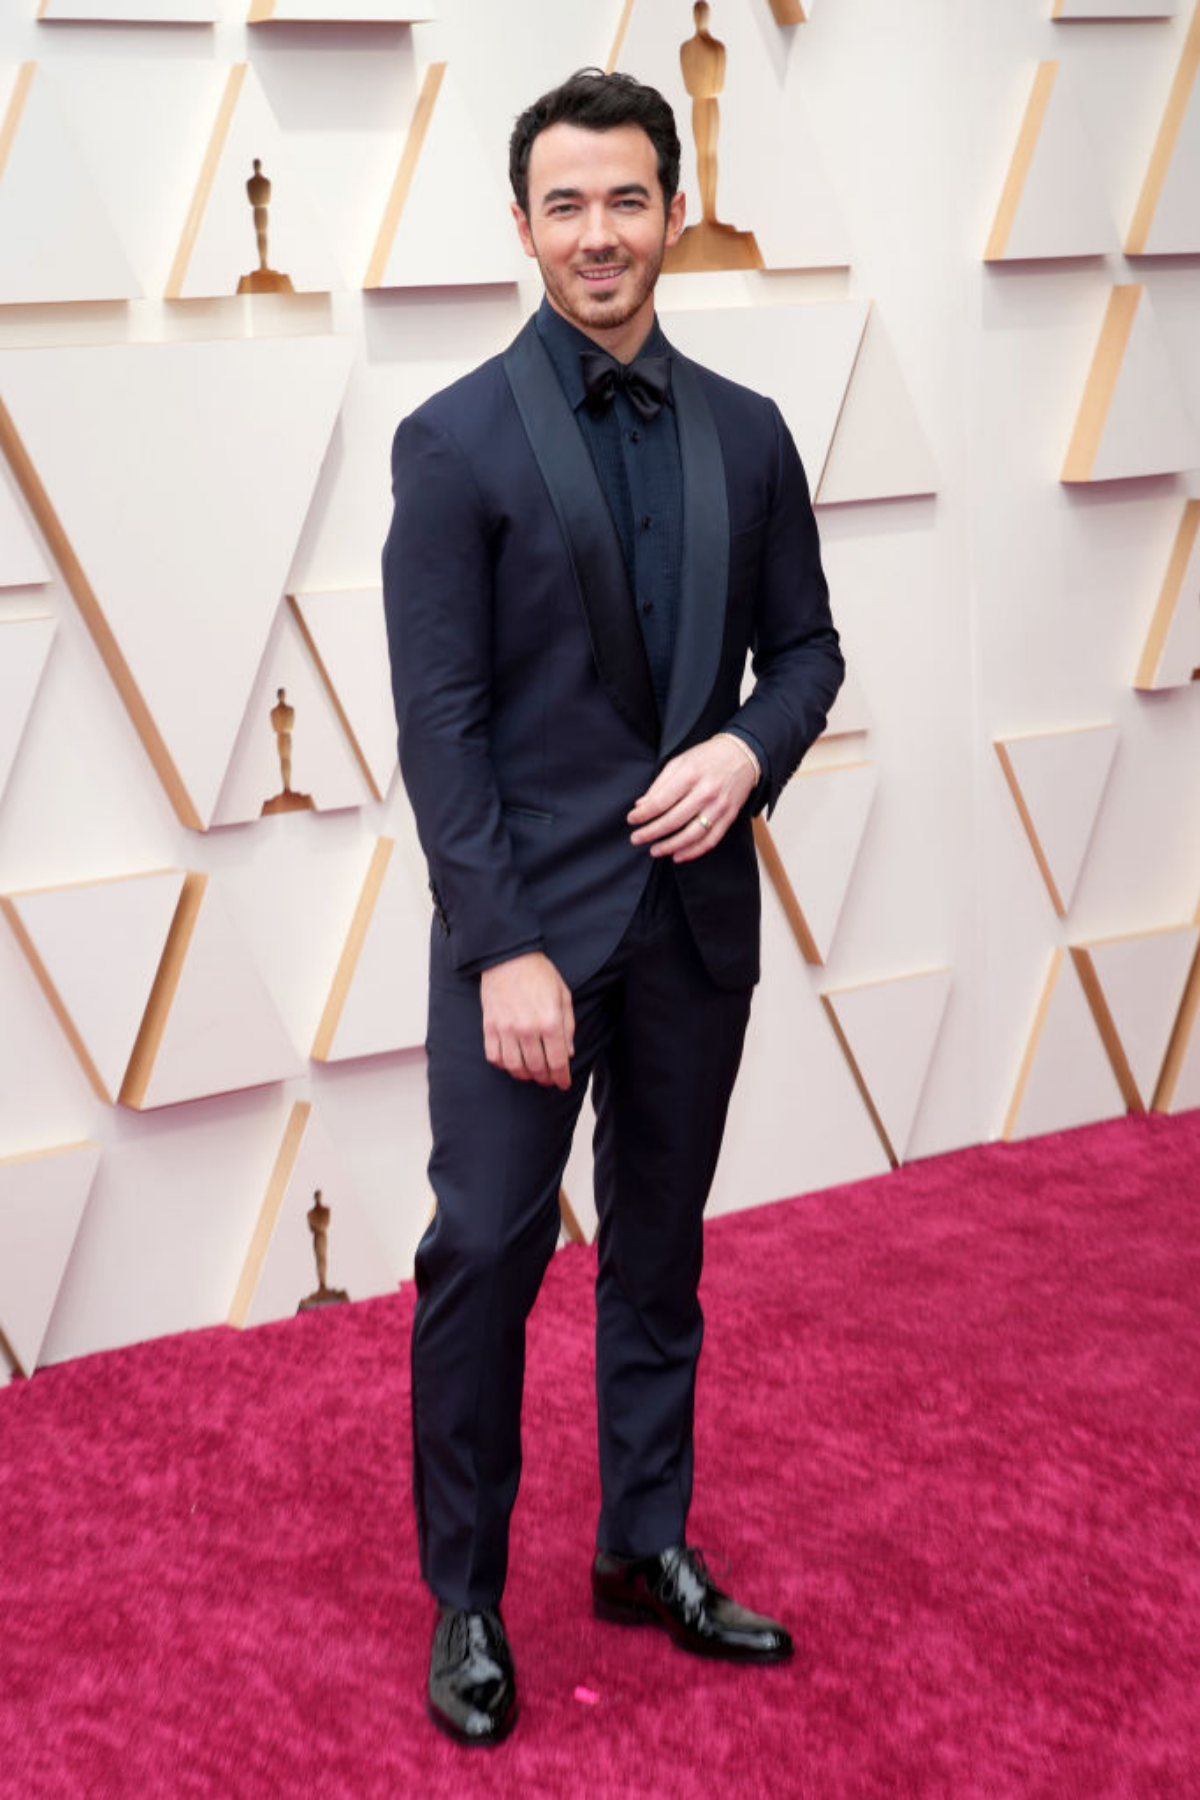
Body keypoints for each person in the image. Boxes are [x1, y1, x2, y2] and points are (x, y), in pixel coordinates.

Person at [382, 67, 843, 1746]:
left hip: (697, 931)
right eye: (566, 203)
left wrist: (748, 749)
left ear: (673, 212)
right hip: (524, 943)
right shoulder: (452, 441)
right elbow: (440, 727)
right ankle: (467, 1597)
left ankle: (643, 1544)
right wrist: (502, 945)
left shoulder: (750, 430)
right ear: (523, 225)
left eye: (627, 199)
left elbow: (809, 653)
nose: (599, 232)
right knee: (481, 1260)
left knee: (660, 1255)